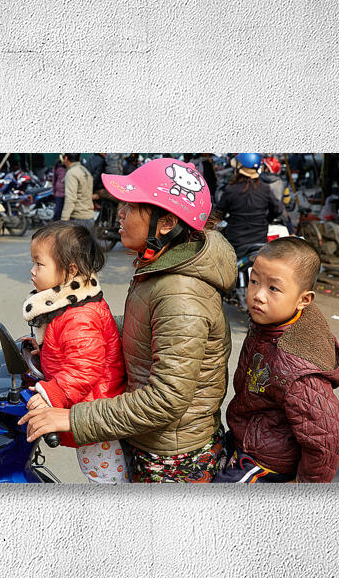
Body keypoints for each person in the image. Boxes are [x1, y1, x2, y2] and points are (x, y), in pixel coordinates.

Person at [20, 157, 237, 483]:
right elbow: (144, 331)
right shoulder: (160, 270)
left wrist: (72, 418)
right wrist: (66, 337)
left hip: (171, 458)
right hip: (147, 438)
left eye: (132, 206)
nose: (119, 213)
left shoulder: (181, 294)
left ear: (165, 223)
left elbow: (165, 400)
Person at [215, 237, 339, 483]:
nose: (258, 295)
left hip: (268, 460)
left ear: (303, 300)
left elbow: (327, 437)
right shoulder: (270, 324)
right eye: (254, 281)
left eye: (273, 288)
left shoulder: (296, 364)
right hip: (247, 436)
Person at [23, 222, 129, 483]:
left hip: (95, 414)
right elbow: (71, 350)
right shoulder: (71, 307)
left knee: (107, 480)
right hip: (88, 405)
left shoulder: (80, 316)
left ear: (70, 270)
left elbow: (84, 367)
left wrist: (53, 393)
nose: (33, 271)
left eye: (39, 264)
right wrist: (44, 349)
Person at [217, 153, 281, 258]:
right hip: (260, 240)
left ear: (238, 169)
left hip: (236, 242)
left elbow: (218, 213)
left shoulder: (230, 190)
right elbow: (278, 209)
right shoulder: (265, 189)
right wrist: (266, 220)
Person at [61, 154, 94, 229]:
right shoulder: (85, 170)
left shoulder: (71, 173)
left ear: (66, 158)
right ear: (79, 158)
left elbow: (70, 198)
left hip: (78, 218)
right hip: (89, 216)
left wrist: (64, 220)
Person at [51, 155, 67, 221]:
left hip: (68, 192)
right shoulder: (58, 165)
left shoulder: (70, 166)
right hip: (59, 193)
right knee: (58, 210)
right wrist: (54, 190)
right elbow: (54, 178)